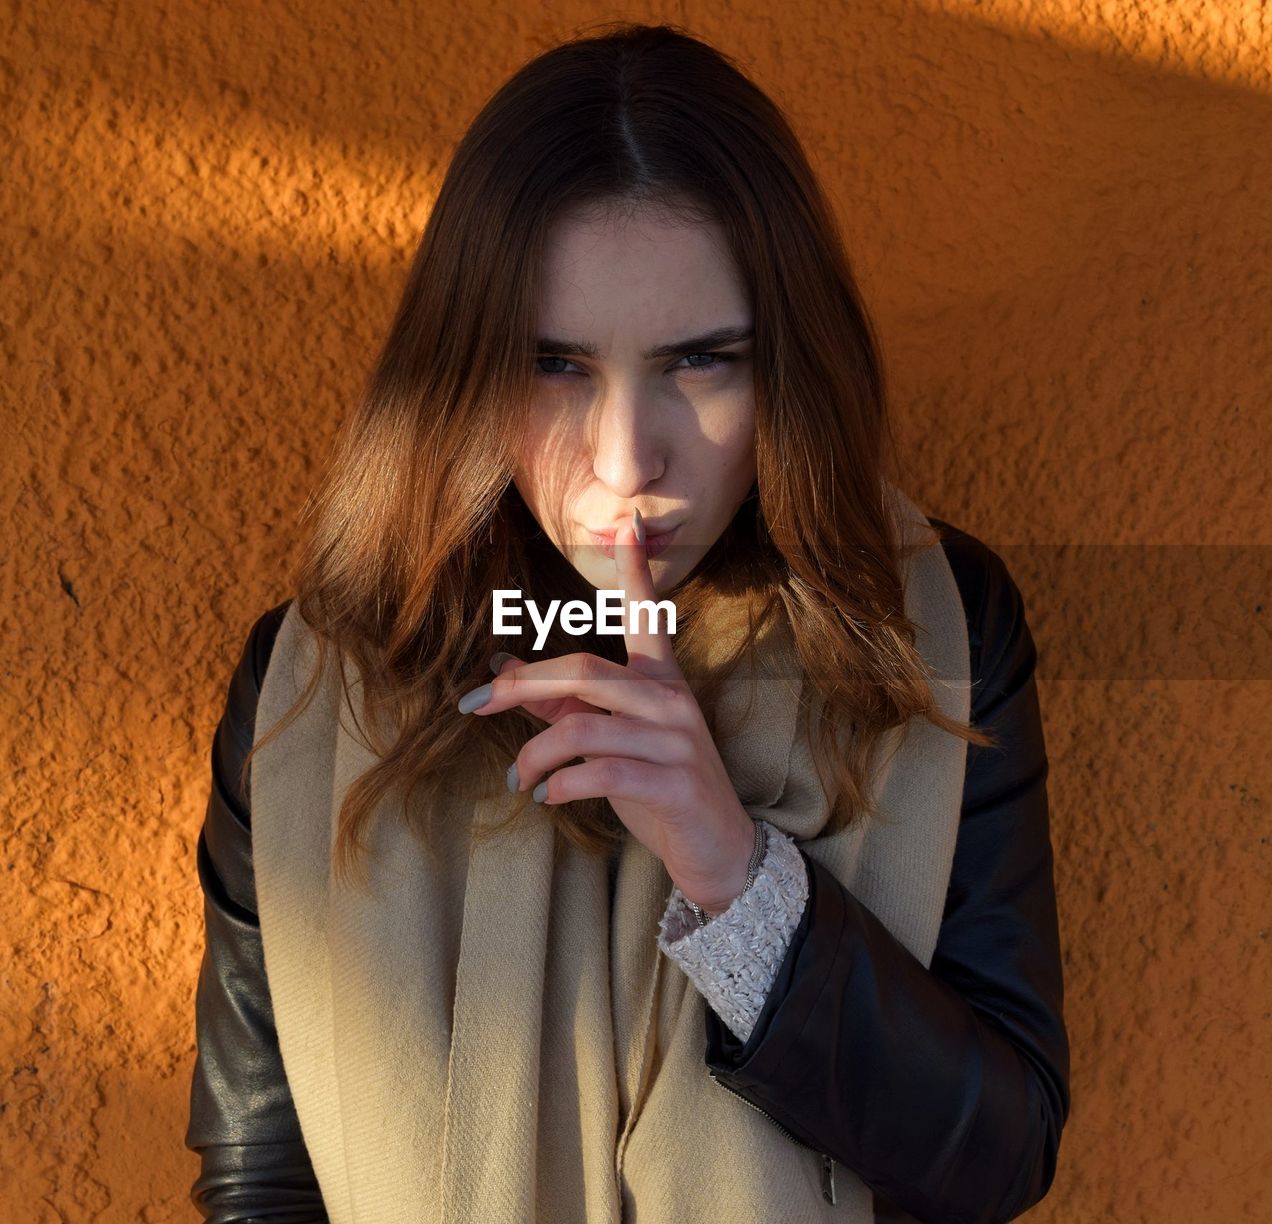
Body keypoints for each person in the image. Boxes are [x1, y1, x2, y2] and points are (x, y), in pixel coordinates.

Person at [184, 21, 1070, 1223]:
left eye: (698, 364)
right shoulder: (325, 678)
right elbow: (261, 1177)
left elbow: (998, 1155)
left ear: (785, 368)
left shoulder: (928, 624)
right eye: (553, 364)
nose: (624, 457)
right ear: (462, 366)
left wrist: (733, 877)